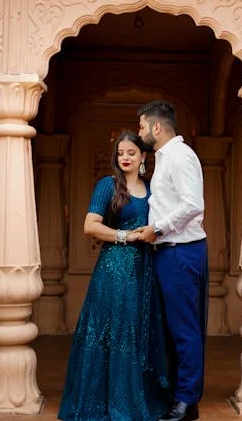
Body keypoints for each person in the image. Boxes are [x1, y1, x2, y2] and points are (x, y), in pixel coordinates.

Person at [58, 130, 168, 421]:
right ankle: (105, 402)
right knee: (111, 331)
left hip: (145, 270)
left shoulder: (152, 188)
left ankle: (135, 399)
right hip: (113, 268)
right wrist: (123, 236)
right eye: (121, 153)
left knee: (136, 331)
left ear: (143, 156)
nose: (125, 158)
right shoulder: (108, 185)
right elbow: (90, 225)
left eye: (131, 153)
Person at [135, 101, 208, 421]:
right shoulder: (164, 158)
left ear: (156, 128)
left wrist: (158, 228)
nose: (139, 133)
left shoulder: (179, 156)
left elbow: (193, 204)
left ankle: (187, 401)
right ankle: (179, 395)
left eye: (141, 127)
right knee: (173, 328)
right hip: (169, 252)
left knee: (184, 329)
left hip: (180, 250)